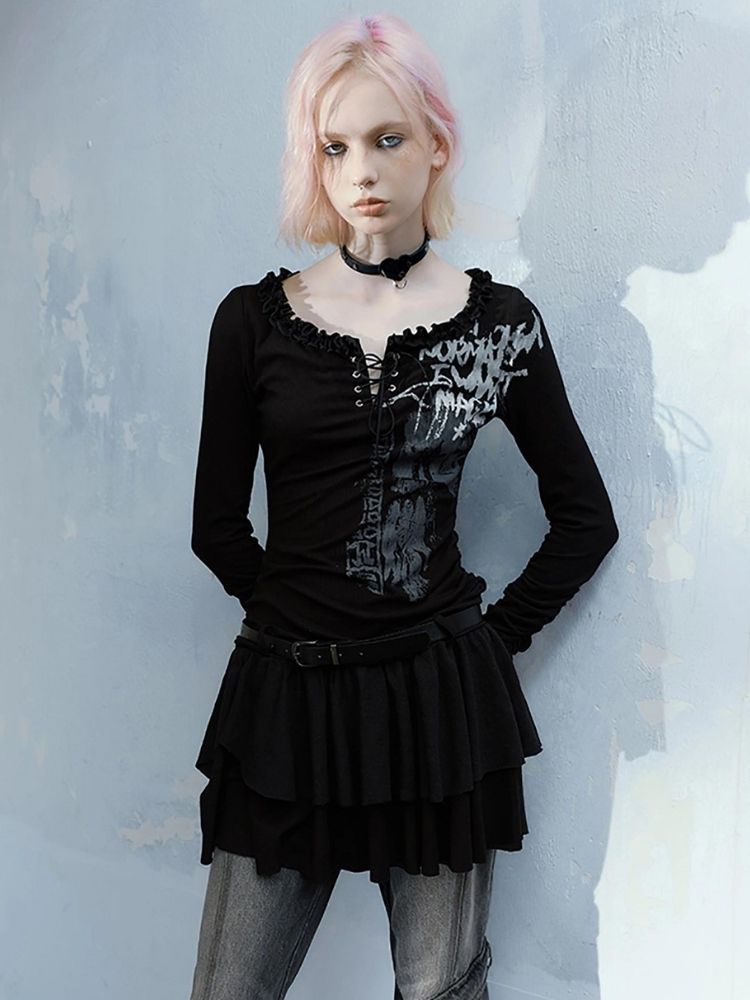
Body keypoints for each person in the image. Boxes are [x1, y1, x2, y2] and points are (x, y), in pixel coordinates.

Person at [187, 13, 619, 1000]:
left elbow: (585, 516)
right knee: (229, 990)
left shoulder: (498, 324)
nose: (361, 172)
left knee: (440, 990)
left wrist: (488, 644)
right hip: (288, 703)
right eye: (334, 146)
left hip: (438, 709)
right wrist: (297, 617)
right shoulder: (252, 322)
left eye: (387, 139)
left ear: (437, 145)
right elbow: (216, 529)